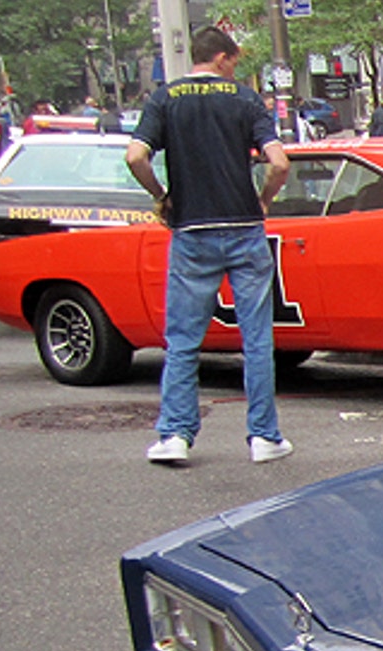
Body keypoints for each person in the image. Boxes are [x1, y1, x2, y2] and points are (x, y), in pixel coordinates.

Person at [126, 25, 293, 466]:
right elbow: (278, 163)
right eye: (235, 61)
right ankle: (264, 437)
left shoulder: (164, 99)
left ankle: (176, 434)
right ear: (221, 58)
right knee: (256, 338)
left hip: (192, 230)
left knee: (183, 339)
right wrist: (263, 200)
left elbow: (135, 156)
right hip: (243, 226)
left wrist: (161, 196)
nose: (236, 68)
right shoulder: (244, 100)